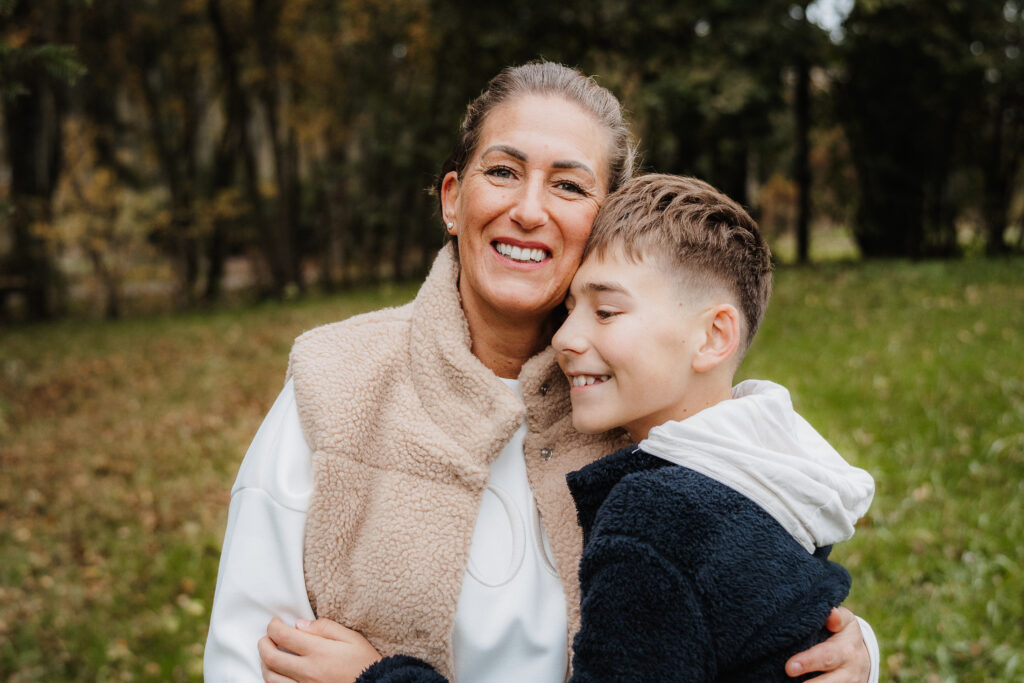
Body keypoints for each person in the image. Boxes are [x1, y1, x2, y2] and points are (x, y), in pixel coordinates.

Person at [204, 62, 880, 682]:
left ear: (606, 220)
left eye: (568, 184)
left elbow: (758, 549)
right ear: (451, 199)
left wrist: (851, 649)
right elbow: (248, 655)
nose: (529, 209)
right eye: (502, 171)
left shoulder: (644, 408)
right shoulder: (336, 381)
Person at [302, 174, 877, 682]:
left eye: (605, 311)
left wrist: (375, 676)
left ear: (712, 337)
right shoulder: (772, 471)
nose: (565, 338)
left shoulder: (652, 522)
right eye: (569, 309)